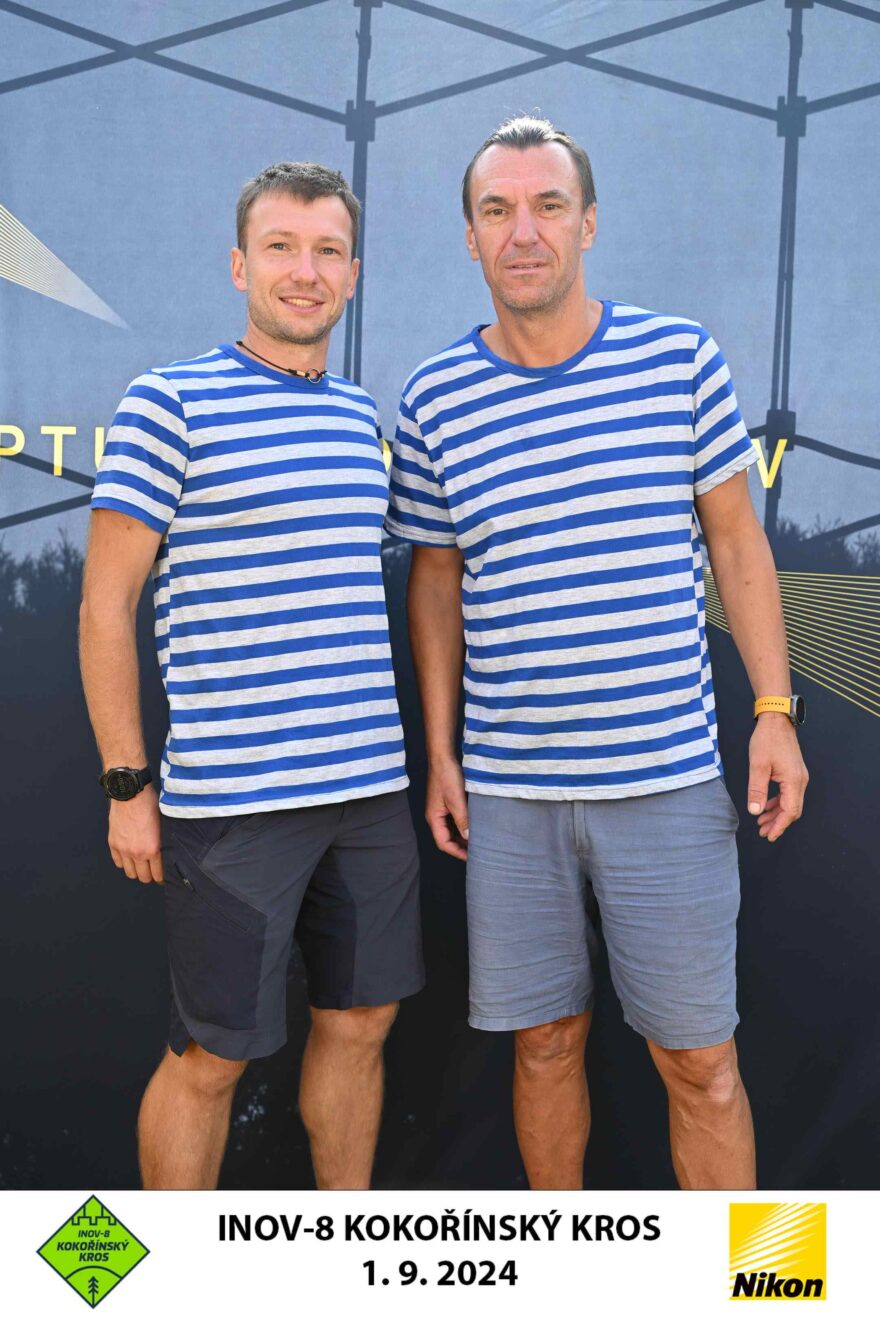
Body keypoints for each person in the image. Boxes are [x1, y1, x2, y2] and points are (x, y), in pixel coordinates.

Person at [385, 116, 808, 1190]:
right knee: (542, 1045)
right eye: (497, 210)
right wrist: (442, 755)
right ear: (469, 237)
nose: (522, 231)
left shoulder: (680, 358)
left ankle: (765, 1278)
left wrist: (774, 710)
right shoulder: (434, 398)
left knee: (703, 1064)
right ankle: (563, 1271)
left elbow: (737, 543)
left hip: (666, 781)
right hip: (510, 796)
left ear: (588, 223)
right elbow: (434, 582)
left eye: (547, 205)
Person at [79, 161, 423, 1190]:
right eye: (281, 247)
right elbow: (105, 606)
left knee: (361, 1024)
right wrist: (127, 785)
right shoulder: (169, 402)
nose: (304, 271)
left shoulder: (361, 419)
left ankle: (341, 1247)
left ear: (353, 273)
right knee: (211, 1056)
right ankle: (170, 1272)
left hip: (367, 796)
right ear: (240, 265)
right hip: (233, 809)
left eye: (327, 251)